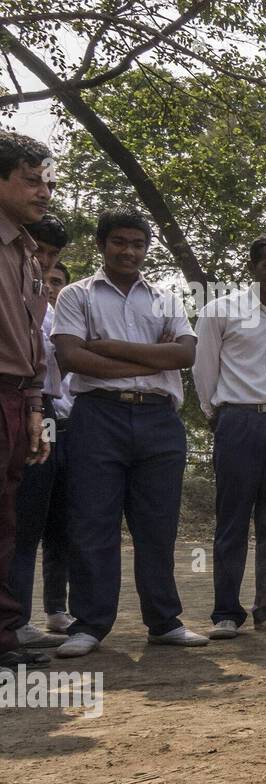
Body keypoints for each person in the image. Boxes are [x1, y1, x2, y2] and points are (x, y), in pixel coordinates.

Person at [51, 209, 207, 657]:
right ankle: (90, 625)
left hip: (159, 420)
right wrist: (148, 358)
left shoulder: (165, 298)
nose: (129, 251)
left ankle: (164, 622)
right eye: (119, 241)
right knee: (93, 523)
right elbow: (72, 358)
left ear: (147, 249)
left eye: (138, 244)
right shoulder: (76, 296)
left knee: (157, 527)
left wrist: (107, 349)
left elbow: (184, 356)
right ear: (102, 245)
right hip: (97, 417)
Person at [194, 236, 266, 638]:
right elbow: (202, 370)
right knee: (233, 520)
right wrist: (217, 417)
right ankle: (226, 612)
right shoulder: (220, 310)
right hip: (237, 422)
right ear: (253, 267)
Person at [0, 131, 54, 669]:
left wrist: (35, 407)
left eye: (48, 182)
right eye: (31, 180)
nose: (44, 192)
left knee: (7, 521)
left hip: (18, 403)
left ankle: (4, 637)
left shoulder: (28, 254)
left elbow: (33, 344)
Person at [11, 215, 71, 649]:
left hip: (56, 414)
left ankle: (55, 609)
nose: (44, 262)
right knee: (24, 518)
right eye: (39, 251)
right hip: (27, 407)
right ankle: (16, 618)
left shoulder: (56, 313)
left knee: (58, 518)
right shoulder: (16, 305)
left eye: (53, 255)